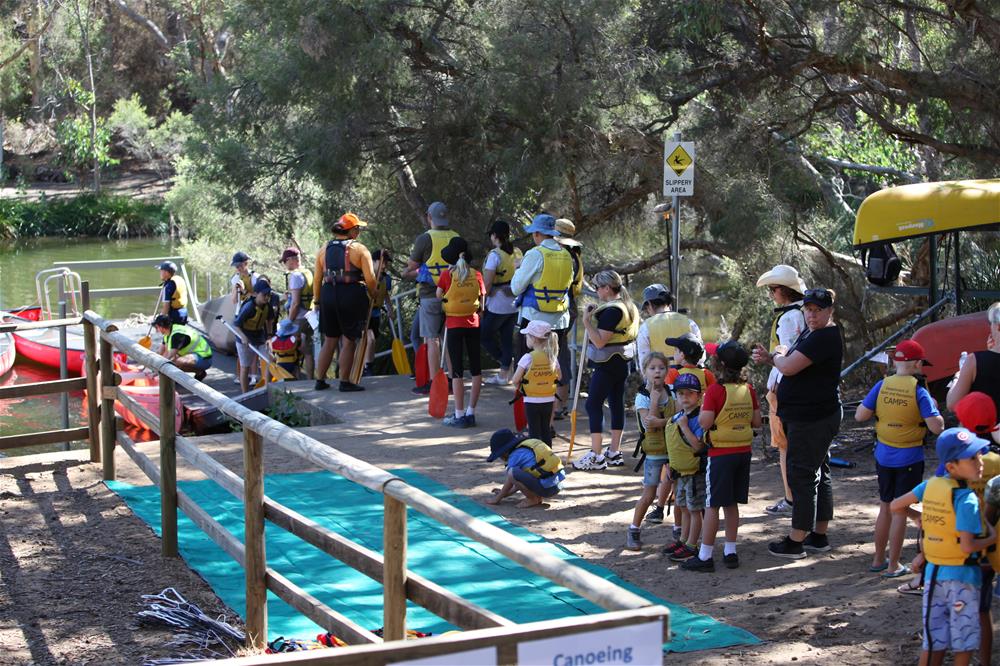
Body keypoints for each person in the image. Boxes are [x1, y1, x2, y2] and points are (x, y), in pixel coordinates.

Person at [891, 428, 997, 666]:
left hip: (933, 576)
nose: (979, 462)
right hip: (963, 580)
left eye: (979, 455)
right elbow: (968, 546)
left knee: (933, 639)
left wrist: (915, 516)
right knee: (964, 643)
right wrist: (991, 538)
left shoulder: (930, 486)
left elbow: (895, 506)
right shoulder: (966, 499)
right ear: (951, 466)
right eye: (972, 458)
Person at [752, 288, 842, 559]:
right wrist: (776, 357)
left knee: (802, 475)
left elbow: (789, 366)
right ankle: (818, 535)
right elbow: (789, 361)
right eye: (808, 310)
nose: (812, 315)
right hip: (809, 415)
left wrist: (776, 357)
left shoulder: (824, 336)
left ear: (829, 311)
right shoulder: (813, 332)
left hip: (813, 418)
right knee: (817, 472)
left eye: (818, 310)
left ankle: (796, 540)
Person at [855, 339, 944, 578]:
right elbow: (937, 428)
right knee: (901, 509)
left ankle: (878, 559)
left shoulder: (882, 385)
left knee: (885, 506)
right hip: (909, 457)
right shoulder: (919, 391)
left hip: (883, 455)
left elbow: (860, 415)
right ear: (916, 363)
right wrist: (934, 408)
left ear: (895, 362)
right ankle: (893, 565)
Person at [682, 341, 761, 572]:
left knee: (713, 504)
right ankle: (730, 551)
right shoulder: (749, 390)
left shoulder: (716, 391)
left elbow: (705, 422)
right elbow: (756, 421)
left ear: (720, 364)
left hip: (720, 454)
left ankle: (705, 555)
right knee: (732, 503)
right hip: (743, 452)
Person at [573, 270, 640, 471]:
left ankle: (596, 455)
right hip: (623, 363)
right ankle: (614, 451)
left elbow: (600, 342)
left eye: (597, 288)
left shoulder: (612, 311)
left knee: (593, 404)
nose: (596, 292)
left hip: (608, 363)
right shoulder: (629, 306)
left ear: (607, 288)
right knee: (616, 403)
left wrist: (586, 321)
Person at [510, 213, 574, 423]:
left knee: (532, 369)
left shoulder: (535, 254)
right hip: (560, 321)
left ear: (537, 233)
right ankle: (551, 417)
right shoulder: (566, 255)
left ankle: (532, 422)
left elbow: (516, 287)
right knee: (553, 369)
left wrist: (518, 271)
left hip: (535, 320)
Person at [755, 264, 807, 517]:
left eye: (774, 289)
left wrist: (770, 361)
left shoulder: (788, 317)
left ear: (785, 290)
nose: (771, 294)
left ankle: (790, 498)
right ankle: (801, 497)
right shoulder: (806, 312)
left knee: (784, 446)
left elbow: (785, 352)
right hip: (803, 386)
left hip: (782, 384)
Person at [954, 391, 1000, 666]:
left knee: (958, 610)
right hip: (990, 553)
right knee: (983, 611)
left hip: (959, 551)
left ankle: (962, 658)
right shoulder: (997, 464)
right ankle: (984, 661)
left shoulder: (954, 465)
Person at [313, 212, 377, 392]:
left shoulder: (323, 249)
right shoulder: (360, 249)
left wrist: (317, 301)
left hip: (327, 294)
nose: (359, 232)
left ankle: (320, 380)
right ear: (352, 231)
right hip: (350, 294)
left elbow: (318, 278)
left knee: (330, 339)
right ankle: (344, 381)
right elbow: (371, 279)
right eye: (358, 229)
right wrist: (373, 294)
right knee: (349, 340)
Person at [403, 201, 458, 394]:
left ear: (429, 217)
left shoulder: (425, 239)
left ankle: (435, 382)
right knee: (448, 337)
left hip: (430, 295)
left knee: (431, 338)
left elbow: (412, 264)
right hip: (453, 295)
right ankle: (453, 379)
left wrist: (409, 270)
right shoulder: (456, 237)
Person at [625, 352, 674, 550]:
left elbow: (679, 418)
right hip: (654, 452)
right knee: (649, 493)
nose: (657, 372)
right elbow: (648, 426)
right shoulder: (642, 397)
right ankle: (634, 529)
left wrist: (663, 421)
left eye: (661, 368)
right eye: (652, 368)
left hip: (674, 451)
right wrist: (654, 400)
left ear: (667, 371)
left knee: (677, 492)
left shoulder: (671, 392)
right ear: (645, 371)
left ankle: (679, 531)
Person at [436, 236, 485, 428]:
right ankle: (471, 412)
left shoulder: (447, 275)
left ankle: (459, 414)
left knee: (456, 370)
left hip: (454, 325)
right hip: (473, 324)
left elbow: (439, 295)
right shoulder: (477, 274)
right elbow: (482, 301)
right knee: (476, 369)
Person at [661, 373, 707, 561]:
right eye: (680, 393)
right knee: (684, 507)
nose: (684, 397)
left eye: (690, 393)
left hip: (695, 473)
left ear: (699, 396)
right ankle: (683, 539)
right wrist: (670, 467)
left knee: (695, 509)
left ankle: (692, 544)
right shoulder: (677, 417)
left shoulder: (698, 419)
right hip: (679, 472)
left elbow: (698, 446)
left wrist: (685, 427)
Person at [481, 220, 522, 385]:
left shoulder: (495, 255)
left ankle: (505, 363)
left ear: (494, 236)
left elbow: (487, 283)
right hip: (513, 302)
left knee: (483, 336)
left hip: (497, 303)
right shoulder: (517, 252)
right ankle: (504, 375)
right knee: (506, 338)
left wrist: (482, 301)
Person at [486, 428, 565, 509]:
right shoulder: (528, 445)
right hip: (558, 484)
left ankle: (533, 499)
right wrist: (506, 494)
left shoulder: (515, 456)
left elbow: (511, 479)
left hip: (548, 489)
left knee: (512, 472)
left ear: (504, 452)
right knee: (517, 473)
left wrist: (497, 498)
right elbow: (520, 481)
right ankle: (535, 496)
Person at [553, 218, 585, 417]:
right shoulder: (574, 254)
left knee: (559, 354)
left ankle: (558, 405)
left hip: (561, 307)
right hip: (569, 306)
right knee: (561, 351)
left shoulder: (563, 256)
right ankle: (561, 404)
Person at [511, 320, 561, 445]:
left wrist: (522, 387)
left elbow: (515, 380)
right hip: (548, 399)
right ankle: (548, 457)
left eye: (527, 335)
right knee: (546, 430)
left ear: (533, 338)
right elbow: (559, 377)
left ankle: (536, 459)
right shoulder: (552, 357)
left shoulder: (527, 358)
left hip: (531, 400)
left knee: (534, 432)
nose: (526, 338)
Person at [948, 302, 1000, 416]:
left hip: (983, 431)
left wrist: (958, 376)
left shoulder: (974, 361)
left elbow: (952, 404)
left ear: (998, 327)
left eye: (990, 323)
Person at [636, 283, 701, 370]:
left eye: (646, 308)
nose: (647, 311)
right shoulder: (689, 323)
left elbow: (644, 362)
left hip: (661, 378)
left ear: (649, 305)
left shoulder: (645, 327)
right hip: (689, 376)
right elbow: (701, 356)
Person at [234, 279, 276, 393]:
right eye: (264, 295)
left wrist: (269, 337)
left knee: (269, 359)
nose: (266, 297)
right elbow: (236, 325)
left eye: (268, 295)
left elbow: (269, 321)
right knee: (245, 366)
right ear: (256, 294)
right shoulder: (249, 307)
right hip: (243, 337)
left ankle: (267, 389)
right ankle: (245, 394)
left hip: (259, 336)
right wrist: (243, 337)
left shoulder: (267, 306)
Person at [280, 247, 314, 379]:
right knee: (308, 351)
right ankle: (311, 379)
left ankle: (295, 380)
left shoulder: (295, 275)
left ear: (291, 260)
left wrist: (289, 320)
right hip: (310, 316)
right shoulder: (307, 272)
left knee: (291, 349)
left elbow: (295, 304)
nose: (284, 264)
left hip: (298, 319)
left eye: (284, 261)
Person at [153, 314, 212, 380]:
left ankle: (199, 372)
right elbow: (160, 351)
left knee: (174, 362)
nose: (156, 330)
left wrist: (157, 370)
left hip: (204, 359)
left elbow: (169, 356)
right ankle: (199, 373)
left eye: (156, 327)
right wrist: (150, 365)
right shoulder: (168, 333)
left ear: (161, 327)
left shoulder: (177, 335)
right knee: (172, 362)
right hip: (193, 355)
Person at [364, 249, 394, 376]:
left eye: (386, 262)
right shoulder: (365, 276)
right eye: (382, 262)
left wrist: (390, 308)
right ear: (374, 262)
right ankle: (365, 367)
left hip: (376, 313)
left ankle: (368, 366)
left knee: (373, 341)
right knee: (369, 340)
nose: (384, 265)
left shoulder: (386, 279)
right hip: (364, 314)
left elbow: (385, 294)